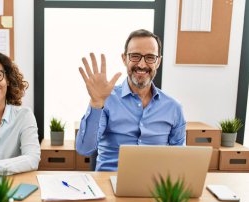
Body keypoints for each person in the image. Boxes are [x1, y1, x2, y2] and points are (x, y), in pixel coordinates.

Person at [76, 29, 186, 171]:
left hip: (154, 188)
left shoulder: (174, 107)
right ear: (124, 58)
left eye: (150, 57)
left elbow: (180, 160)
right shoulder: (107, 99)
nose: (141, 64)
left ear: (158, 61)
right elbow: (84, 149)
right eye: (135, 56)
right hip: (109, 183)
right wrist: (96, 104)